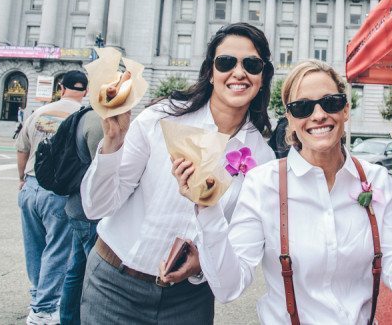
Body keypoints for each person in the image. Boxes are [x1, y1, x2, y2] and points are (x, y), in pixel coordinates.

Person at [172, 60, 392, 324]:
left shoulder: (377, 180)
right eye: (303, 107)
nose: (319, 115)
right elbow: (229, 288)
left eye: (330, 103)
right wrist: (208, 209)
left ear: (346, 110)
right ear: (290, 119)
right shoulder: (263, 184)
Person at [80, 23, 276, 324]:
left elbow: (236, 256)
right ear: (210, 72)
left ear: (262, 78)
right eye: (226, 62)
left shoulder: (262, 159)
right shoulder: (162, 117)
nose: (239, 73)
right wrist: (113, 143)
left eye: (251, 64)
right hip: (114, 286)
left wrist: (200, 267)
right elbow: (97, 207)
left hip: (189, 300)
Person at [17, 70, 88, 325]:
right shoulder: (82, 116)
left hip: (30, 186)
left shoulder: (39, 112)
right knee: (57, 250)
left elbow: (22, 148)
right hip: (58, 192)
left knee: (34, 246)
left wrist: (22, 179)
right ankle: (44, 309)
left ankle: (38, 296)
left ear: (61, 88)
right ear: (86, 92)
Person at [60, 110, 103, 325]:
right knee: (97, 274)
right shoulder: (99, 121)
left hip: (78, 205)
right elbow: (103, 170)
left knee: (76, 270)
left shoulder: (84, 114)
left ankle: (68, 319)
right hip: (90, 211)